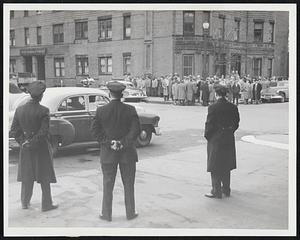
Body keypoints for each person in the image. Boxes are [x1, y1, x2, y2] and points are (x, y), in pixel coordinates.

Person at [91, 81, 141, 222]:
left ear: (109, 94)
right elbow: (135, 130)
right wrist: (123, 143)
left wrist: (110, 143)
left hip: (108, 154)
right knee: (129, 184)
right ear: (122, 94)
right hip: (128, 153)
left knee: (108, 184)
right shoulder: (130, 110)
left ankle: (106, 214)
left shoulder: (101, 111)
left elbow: (95, 132)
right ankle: (130, 213)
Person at [9, 81, 58, 211]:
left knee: (27, 176)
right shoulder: (44, 111)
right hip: (41, 148)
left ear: (30, 95)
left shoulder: (19, 110)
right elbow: (43, 132)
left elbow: (14, 130)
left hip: (25, 148)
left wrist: (23, 142)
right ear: (41, 96)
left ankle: (25, 202)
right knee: (45, 176)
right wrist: (32, 142)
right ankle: (46, 205)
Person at [204, 84, 240, 199]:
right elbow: (236, 122)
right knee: (226, 164)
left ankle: (216, 191)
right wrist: (229, 131)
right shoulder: (233, 107)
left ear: (216, 94)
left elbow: (209, 125)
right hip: (228, 138)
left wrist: (209, 137)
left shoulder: (213, 107)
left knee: (215, 165)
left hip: (216, 138)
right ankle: (226, 189)